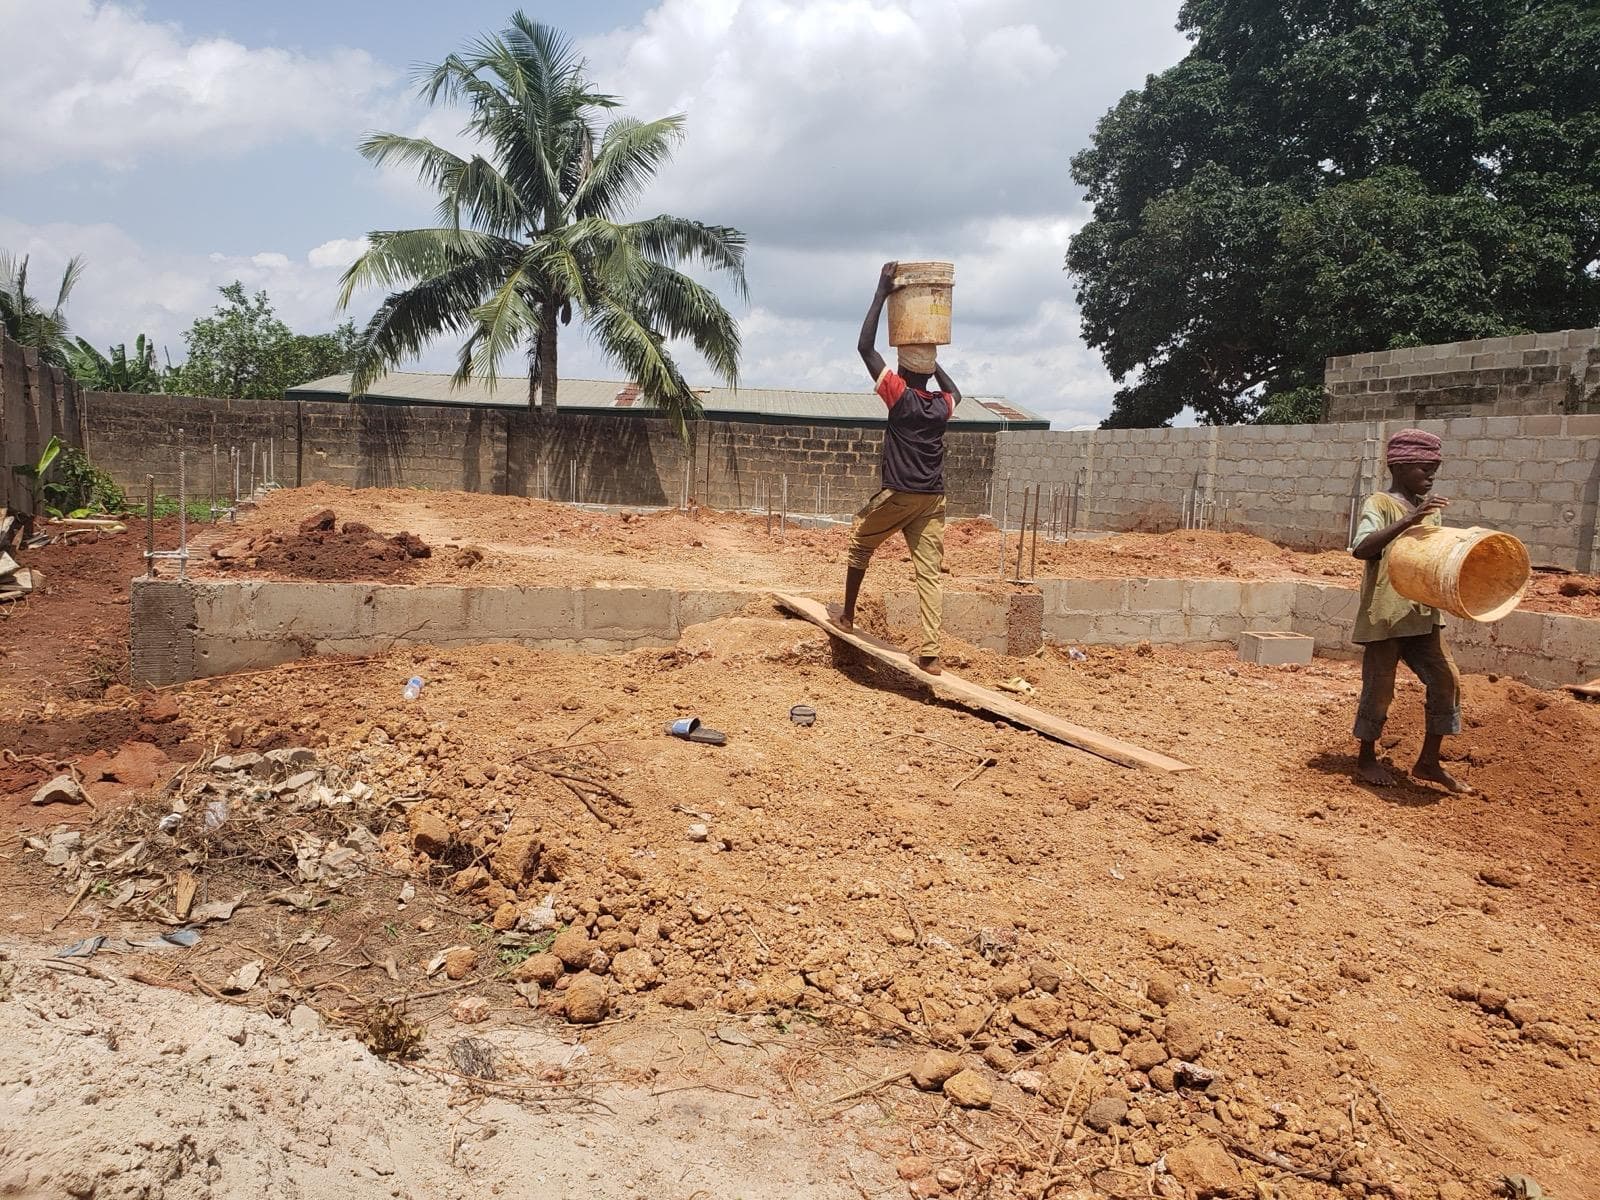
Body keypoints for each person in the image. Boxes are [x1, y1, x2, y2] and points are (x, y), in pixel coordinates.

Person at [832, 261, 962, 675]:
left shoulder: (900, 397)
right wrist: (930, 357)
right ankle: (930, 652)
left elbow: (865, 348)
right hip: (933, 500)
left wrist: (882, 291)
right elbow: (955, 390)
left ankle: (847, 616)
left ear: (901, 371)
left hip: (901, 495)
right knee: (928, 574)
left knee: (860, 544)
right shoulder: (940, 406)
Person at [1349, 427, 1470, 792]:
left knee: (1446, 680)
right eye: (1424, 469)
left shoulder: (1428, 511)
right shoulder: (1381, 504)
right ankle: (1366, 758)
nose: (1431, 476)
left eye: (1435, 469)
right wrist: (1410, 519)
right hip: (1386, 615)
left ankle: (1429, 762)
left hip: (1422, 615)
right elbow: (1362, 548)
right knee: (1380, 687)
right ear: (1399, 468)